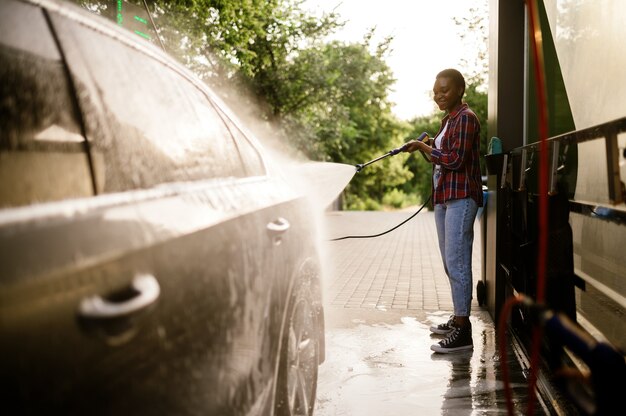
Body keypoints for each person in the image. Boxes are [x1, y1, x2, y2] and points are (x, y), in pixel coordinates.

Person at [403, 68, 483, 353]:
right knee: (451, 262)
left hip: (461, 198)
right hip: (444, 197)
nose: (438, 95)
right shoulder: (448, 120)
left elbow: (456, 159)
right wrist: (424, 148)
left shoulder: (466, 118)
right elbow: (440, 161)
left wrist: (424, 146)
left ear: (460, 90)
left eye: (444, 90)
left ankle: (464, 332)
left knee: (458, 262)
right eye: (436, 91)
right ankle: (458, 317)